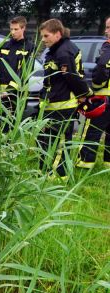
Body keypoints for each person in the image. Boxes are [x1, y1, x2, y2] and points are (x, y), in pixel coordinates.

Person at [38, 19, 93, 180]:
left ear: (58, 34)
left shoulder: (64, 52)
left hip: (62, 104)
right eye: (42, 36)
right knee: (48, 139)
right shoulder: (57, 49)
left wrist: (85, 95)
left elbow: (71, 77)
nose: (43, 39)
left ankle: (59, 175)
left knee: (61, 140)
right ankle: (46, 172)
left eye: (46, 36)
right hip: (53, 102)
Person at [0, 16, 35, 131]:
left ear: (23, 28)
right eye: (11, 29)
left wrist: (8, 92)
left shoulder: (29, 48)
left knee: (10, 128)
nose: (12, 32)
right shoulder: (4, 46)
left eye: (16, 29)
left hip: (16, 96)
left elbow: (24, 73)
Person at [76, 16, 110, 169]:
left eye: (109, 27)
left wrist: (97, 85)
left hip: (104, 96)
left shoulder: (108, 46)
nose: (106, 31)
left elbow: (102, 66)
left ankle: (85, 162)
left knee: (93, 130)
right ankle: (108, 162)